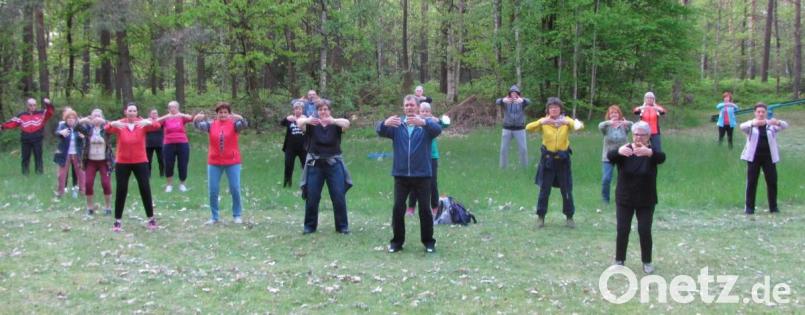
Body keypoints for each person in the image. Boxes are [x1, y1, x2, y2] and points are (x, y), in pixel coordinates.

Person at [377, 95, 442, 253]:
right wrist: (383, 123)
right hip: (401, 175)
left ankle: (428, 242)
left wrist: (424, 122)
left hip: (422, 175)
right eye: (406, 105)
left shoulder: (426, 124)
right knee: (398, 208)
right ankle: (397, 242)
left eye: (412, 105)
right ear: (403, 107)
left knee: (424, 210)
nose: (409, 108)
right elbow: (380, 130)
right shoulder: (398, 124)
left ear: (418, 107)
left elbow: (438, 130)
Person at [607, 121, 666, 274]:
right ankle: (619, 260)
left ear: (648, 136)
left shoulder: (652, 151)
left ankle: (647, 261)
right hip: (625, 197)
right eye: (635, 134)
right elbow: (610, 156)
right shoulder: (626, 150)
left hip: (646, 198)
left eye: (642, 134)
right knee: (622, 229)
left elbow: (662, 157)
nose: (638, 137)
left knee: (644, 229)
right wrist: (619, 151)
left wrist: (650, 153)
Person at [526, 97, 584, 229]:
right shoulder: (544, 122)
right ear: (548, 110)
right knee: (544, 190)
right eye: (551, 108)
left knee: (567, 190)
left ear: (560, 109)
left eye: (556, 108)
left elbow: (579, 127)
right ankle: (541, 217)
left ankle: (569, 217)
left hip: (563, 161)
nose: (554, 110)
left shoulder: (566, 120)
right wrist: (542, 121)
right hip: (548, 160)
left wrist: (567, 122)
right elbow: (528, 128)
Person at [297, 100, 353, 234]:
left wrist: (333, 121)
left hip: (333, 164)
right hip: (315, 165)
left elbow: (347, 124)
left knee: (338, 195)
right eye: (320, 109)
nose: (323, 112)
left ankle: (342, 227)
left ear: (330, 111)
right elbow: (299, 123)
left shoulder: (336, 124)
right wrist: (308, 119)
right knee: (312, 196)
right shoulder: (311, 124)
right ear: (317, 111)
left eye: (326, 109)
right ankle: (309, 226)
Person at [105, 102, 161, 232]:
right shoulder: (120, 124)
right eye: (129, 110)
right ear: (125, 111)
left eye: (134, 111)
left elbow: (157, 125)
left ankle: (151, 218)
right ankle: (117, 221)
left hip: (140, 161)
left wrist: (149, 122)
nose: (132, 113)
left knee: (145, 188)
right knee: (121, 190)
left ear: (137, 112)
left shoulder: (142, 123)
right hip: (122, 162)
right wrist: (112, 123)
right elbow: (106, 128)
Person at [194, 102, 248, 224]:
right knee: (213, 189)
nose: (223, 115)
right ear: (217, 114)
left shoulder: (234, 125)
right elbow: (197, 126)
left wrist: (238, 117)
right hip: (214, 161)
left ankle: (237, 214)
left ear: (229, 114)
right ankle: (214, 216)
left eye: (225, 112)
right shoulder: (210, 124)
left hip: (232, 161)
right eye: (220, 112)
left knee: (235, 188)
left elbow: (244, 123)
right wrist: (196, 120)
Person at [740, 103, 788, 215]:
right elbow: (742, 126)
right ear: (755, 113)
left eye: (763, 112)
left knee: (772, 181)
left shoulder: (771, 126)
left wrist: (777, 122)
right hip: (753, 157)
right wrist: (755, 122)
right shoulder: (751, 125)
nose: (761, 114)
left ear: (766, 113)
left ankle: (773, 207)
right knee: (752, 182)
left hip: (769, 157)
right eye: (758, 112)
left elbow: (785, 125)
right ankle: (749, 208)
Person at [406, 102, 450, 216]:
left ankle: (435, 207)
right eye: (422, 111)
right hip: (418, 157)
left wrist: (437, 120)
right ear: (419, 112)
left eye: (427, 112)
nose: (424, 114)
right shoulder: (416, 122)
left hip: (432, 157)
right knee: (414, 182)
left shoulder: (432, 123)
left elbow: (445, 124)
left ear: (430, 113)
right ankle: (411, 207)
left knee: (432, 183)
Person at [0, 97, 55, 175]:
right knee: (25, 158)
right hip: (25, 139)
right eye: (30, 105)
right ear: (27, 105)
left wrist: (48, 104)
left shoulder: (41, 113)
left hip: (37, 139)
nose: (32, 107)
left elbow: (50, 112)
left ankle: (39, 174)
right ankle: (25, 174)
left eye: (34, 105)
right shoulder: (22, 115)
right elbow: (12, 122)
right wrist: (2, 126)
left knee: (38, 157)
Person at [77, 109, 114, 216]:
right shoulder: (88, 129)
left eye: (99, 116)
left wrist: (103, 121)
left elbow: (113, 126)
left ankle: (108, 207)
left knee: (106, 183)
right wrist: (84, 120)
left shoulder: (106, 128)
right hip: (90, 161)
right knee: (88, 184)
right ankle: (89, 207)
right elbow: (76, 127)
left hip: (104, 161)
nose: (97, 118)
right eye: (94, 116)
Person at [598, 105, 633, 204]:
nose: (614, 115)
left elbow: (634, 126)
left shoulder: (624, 126)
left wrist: (626, 123)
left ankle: (623, 198)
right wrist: (609, 122)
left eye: (616, 113)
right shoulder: (606, 127)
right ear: (608, 115)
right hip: (608, 156)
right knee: (606, 178)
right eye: (611, 113)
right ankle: (605, 199)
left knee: (624, 178)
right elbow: (600, 125)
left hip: (623, 155)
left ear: (619, 114)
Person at [157, 101, 193, 192]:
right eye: (171, 107)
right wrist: (167, 116)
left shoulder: (181, 117)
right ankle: (169, 185)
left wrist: (180, 114)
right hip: (168, 143)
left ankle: (182, 184)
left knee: (183, 164)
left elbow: (191, 118)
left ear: (178, 108)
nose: (173, 109)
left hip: (182, 143)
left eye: (175, 107)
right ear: (168, 109)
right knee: (168, 164)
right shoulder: (166, 118)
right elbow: (155, 122)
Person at [53, 110, 86, 199]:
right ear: (66, 119)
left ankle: (83, 191)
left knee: (81, 173)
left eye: (73, 118)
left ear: (76, 119)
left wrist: (83, 136)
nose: (71, 120)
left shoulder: (79, 127)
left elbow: (87, 134)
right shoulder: (62, 126)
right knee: (61, 174)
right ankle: (60, 192)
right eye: (69, 118)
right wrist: (60, 133)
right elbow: (56, 133)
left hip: (77, 153)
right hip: (65, 153)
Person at [496, 85, 530, 169]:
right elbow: (497, 101)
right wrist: (502, 100)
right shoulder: (505, 101)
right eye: (512, 93)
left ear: (518, 94)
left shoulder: (521, 101)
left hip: (519, 128)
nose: (513, 95)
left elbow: (529, 101)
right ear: (509, 94)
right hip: (507, 128)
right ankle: (503, 168)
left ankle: (524, 167)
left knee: (523, 149)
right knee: (503, 149)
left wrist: (522, 100)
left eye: (515, 93)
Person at [281, 102, 308, 187]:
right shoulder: (290, 119)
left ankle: (306, 183)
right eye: (296, 109)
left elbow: (312, 127)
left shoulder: (305, 119)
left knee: (305, 165)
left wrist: (306, 120)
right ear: (294, 110)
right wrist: (286, 118)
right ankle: (287, 182)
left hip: (303, 147)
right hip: (290, 147)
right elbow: (281, 123)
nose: (298, 110)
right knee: (288, 165)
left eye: (299, 109)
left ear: (302, 110)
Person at [146, 109, 165, 177]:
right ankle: (148, 175)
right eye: (153, 113)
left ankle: (162, 174)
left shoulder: (161, 121)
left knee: (161, 160)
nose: (154, 115)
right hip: (148, 144)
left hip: (159, 144)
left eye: (156, 113)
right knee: (148, 161)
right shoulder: (146, 122)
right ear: (150, 114)